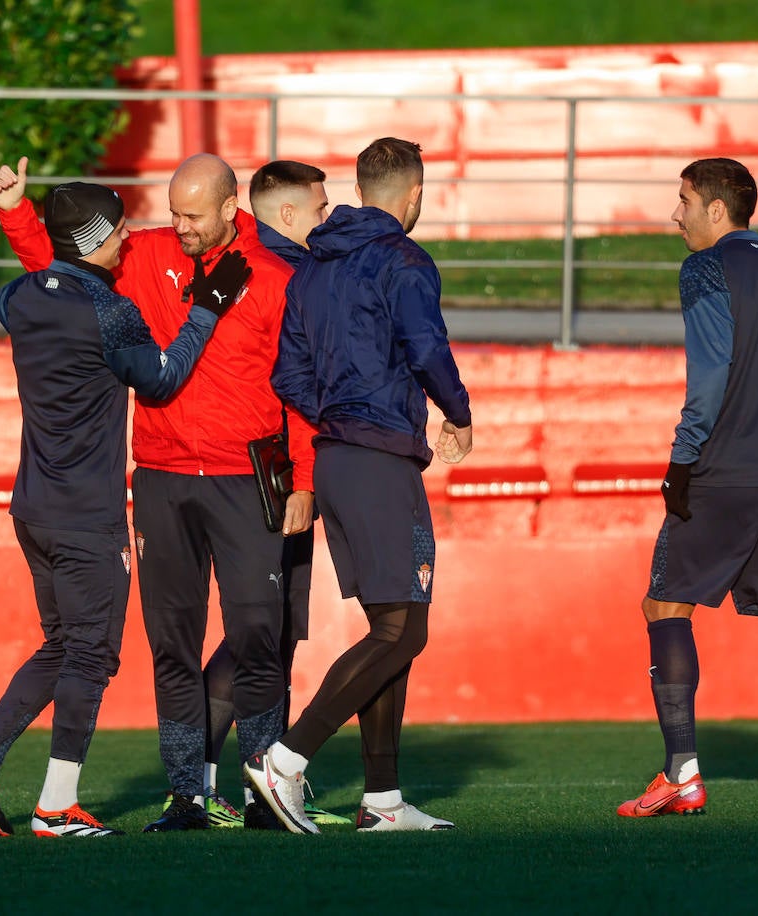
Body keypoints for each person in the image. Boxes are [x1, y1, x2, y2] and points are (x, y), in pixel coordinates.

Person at [0, 153, 318, 832]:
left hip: (247, 477)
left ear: (232, 208)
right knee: (172, 643)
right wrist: (18, 213)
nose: (178, 226)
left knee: (260, 635)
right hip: (163, 477)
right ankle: (186, 796)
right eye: (173, 212)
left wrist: (306, 481)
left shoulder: (279, 277)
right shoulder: (145, 256)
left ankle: (264, 792)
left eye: (192, 215)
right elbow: (61, 273)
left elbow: (301, 390)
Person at [0, 180, 251, 837]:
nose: (127, 240)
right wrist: (206, 312)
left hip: (33, 507)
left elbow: (34, 288)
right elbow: (163, 377)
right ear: (89, 242)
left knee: (62, 646)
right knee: (91, 657)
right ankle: (56, 808)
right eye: (115, 232)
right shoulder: (110, 311)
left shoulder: (17, 298)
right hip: (87, 516)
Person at [251, 137, 474, 834]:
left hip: (338, 458)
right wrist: (458, 415)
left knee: (390, 624)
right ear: (413, 195)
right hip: (378, 460)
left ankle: (382, 802)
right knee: (406, 629)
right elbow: (427, 347)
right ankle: (285, 759)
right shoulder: (404, 260)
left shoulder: (312, 270)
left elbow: (287, 376)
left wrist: (340, 419)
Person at [616, 157, 758, 819]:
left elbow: (709, 378)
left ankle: (682, 773)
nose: (675, 213)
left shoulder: (705, 268)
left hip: (724, 470)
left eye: (683, 200)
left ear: (718, 209)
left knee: (665, 607)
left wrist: (682, 462)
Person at [193, 158, 348, 828]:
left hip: (258, 471)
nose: (328, 216)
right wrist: (308, 481)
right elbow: (292, 385)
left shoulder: (247, 263)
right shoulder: (285, 274)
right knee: (261, 634)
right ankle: (216, 783)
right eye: (320, 206)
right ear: (287, 215)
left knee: (268, 634)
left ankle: (237, 783)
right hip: (269, 476)